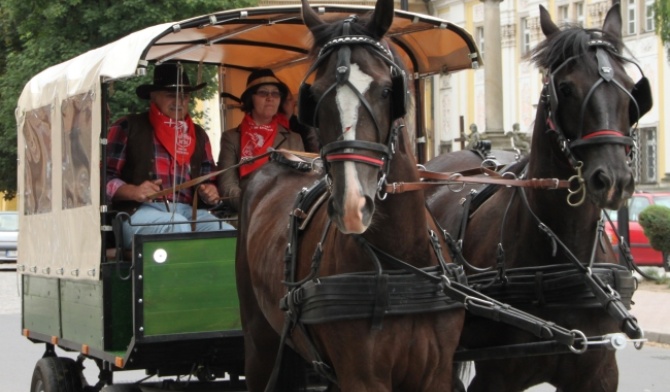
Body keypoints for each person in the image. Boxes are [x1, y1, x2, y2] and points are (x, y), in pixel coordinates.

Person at [106, 62, 233, 248]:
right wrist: (134, 191)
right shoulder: (127, 126)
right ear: (153, 96)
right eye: (171, 95)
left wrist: (209, 192)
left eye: (184, 96)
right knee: (178, 226)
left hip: (188, 212)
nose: (179, 102)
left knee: (228, 233)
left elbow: (209, 179)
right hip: (136, 213)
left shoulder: (199, 135)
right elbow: (104, 178)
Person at [217, 69, 306, 212]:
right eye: (263, 93)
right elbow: (227, 187)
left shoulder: (294, 139)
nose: (270, 98)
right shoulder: (231, 137)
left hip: (284, 213)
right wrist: (257, 207)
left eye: (275, 94)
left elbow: (302, 181)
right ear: (250, 99)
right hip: (246, 215)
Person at [279, 89, 320, 153]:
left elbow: (313, 153)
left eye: (290, 99)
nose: (292, 103)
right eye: (288, 100)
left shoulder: (302, 125)